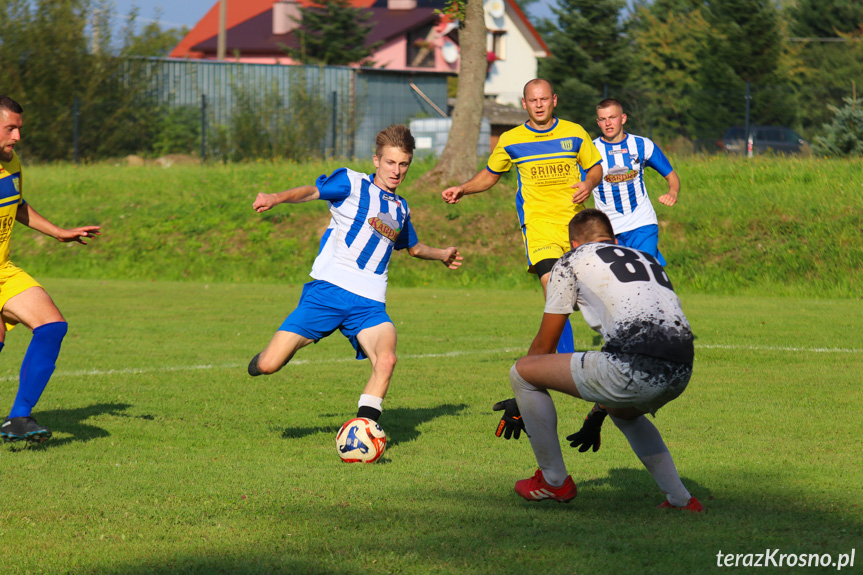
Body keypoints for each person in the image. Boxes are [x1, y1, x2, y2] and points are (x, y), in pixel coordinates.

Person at [248, 125, 462, 424]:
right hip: (327, 293)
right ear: (376, 160)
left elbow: (412, 248)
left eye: (403, 164)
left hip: (369, 304)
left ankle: (363, 429)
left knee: (386, 360)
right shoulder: (351, 182)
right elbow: (312, 191)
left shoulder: (400, 208)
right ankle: (268, 357)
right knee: (269, 365)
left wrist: (442, 254)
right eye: (390, 162)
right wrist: (276, 197)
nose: (397, 171)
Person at [493, 208, 702, 512]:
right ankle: (682, 500)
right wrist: (600, 411)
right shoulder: (646, 257)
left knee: (522, 372)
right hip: (682, 368)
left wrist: (521, 399)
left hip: (637, 367)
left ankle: (554, 482)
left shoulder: (572, 260)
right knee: (624, 413)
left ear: (574, 244)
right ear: (614, 239)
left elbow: (546, 343)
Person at [441, 79, 603, 354]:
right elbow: (491, 174)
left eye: (543, 99)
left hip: (577, 228)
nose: (538, 105)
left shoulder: (574, 133)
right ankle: (567, 364)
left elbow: (595, 167)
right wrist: (463, 188)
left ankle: (620, 351)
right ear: (524, 103)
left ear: (554, 100)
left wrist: (588, 184)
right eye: (533, 100)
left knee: (598, 293)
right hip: (539, 227)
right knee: (555, 292)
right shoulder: (511, 139)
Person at [0, 96, 101, 444]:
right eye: (9, 128)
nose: (16, 137)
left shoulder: (12, 165)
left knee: (52, 326)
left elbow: (17, 205)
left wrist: (59, 232)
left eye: (18, 129)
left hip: (3, 270)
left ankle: (18, 419)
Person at [592, 98, 680, 266]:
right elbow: (581, 185)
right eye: (603, 119)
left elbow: (671, 176)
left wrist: (672, 192)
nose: (608, 123)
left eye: (612, 117)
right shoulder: (591, 150)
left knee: (645, 274)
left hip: (642, 223)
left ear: (623, 118)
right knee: (618, 283)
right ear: (598, 122)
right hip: (608, 230)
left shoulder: (642, 144)